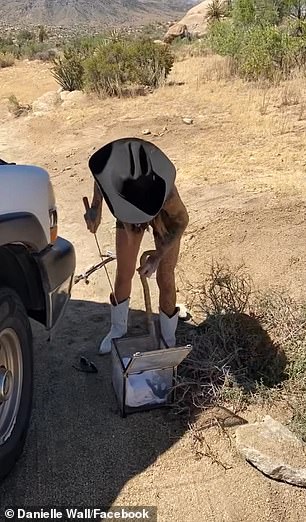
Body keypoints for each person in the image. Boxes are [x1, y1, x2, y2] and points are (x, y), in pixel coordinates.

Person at [84, 137, 189, 354]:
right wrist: (95, 210)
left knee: (166, 276)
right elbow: (100, 182)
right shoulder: (116, 175)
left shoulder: (167, 195)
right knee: (125, 271)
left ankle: (168, 337)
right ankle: (117, 329)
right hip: (127, 211)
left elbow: (182, 221)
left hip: (164, 218)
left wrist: (158, 256)